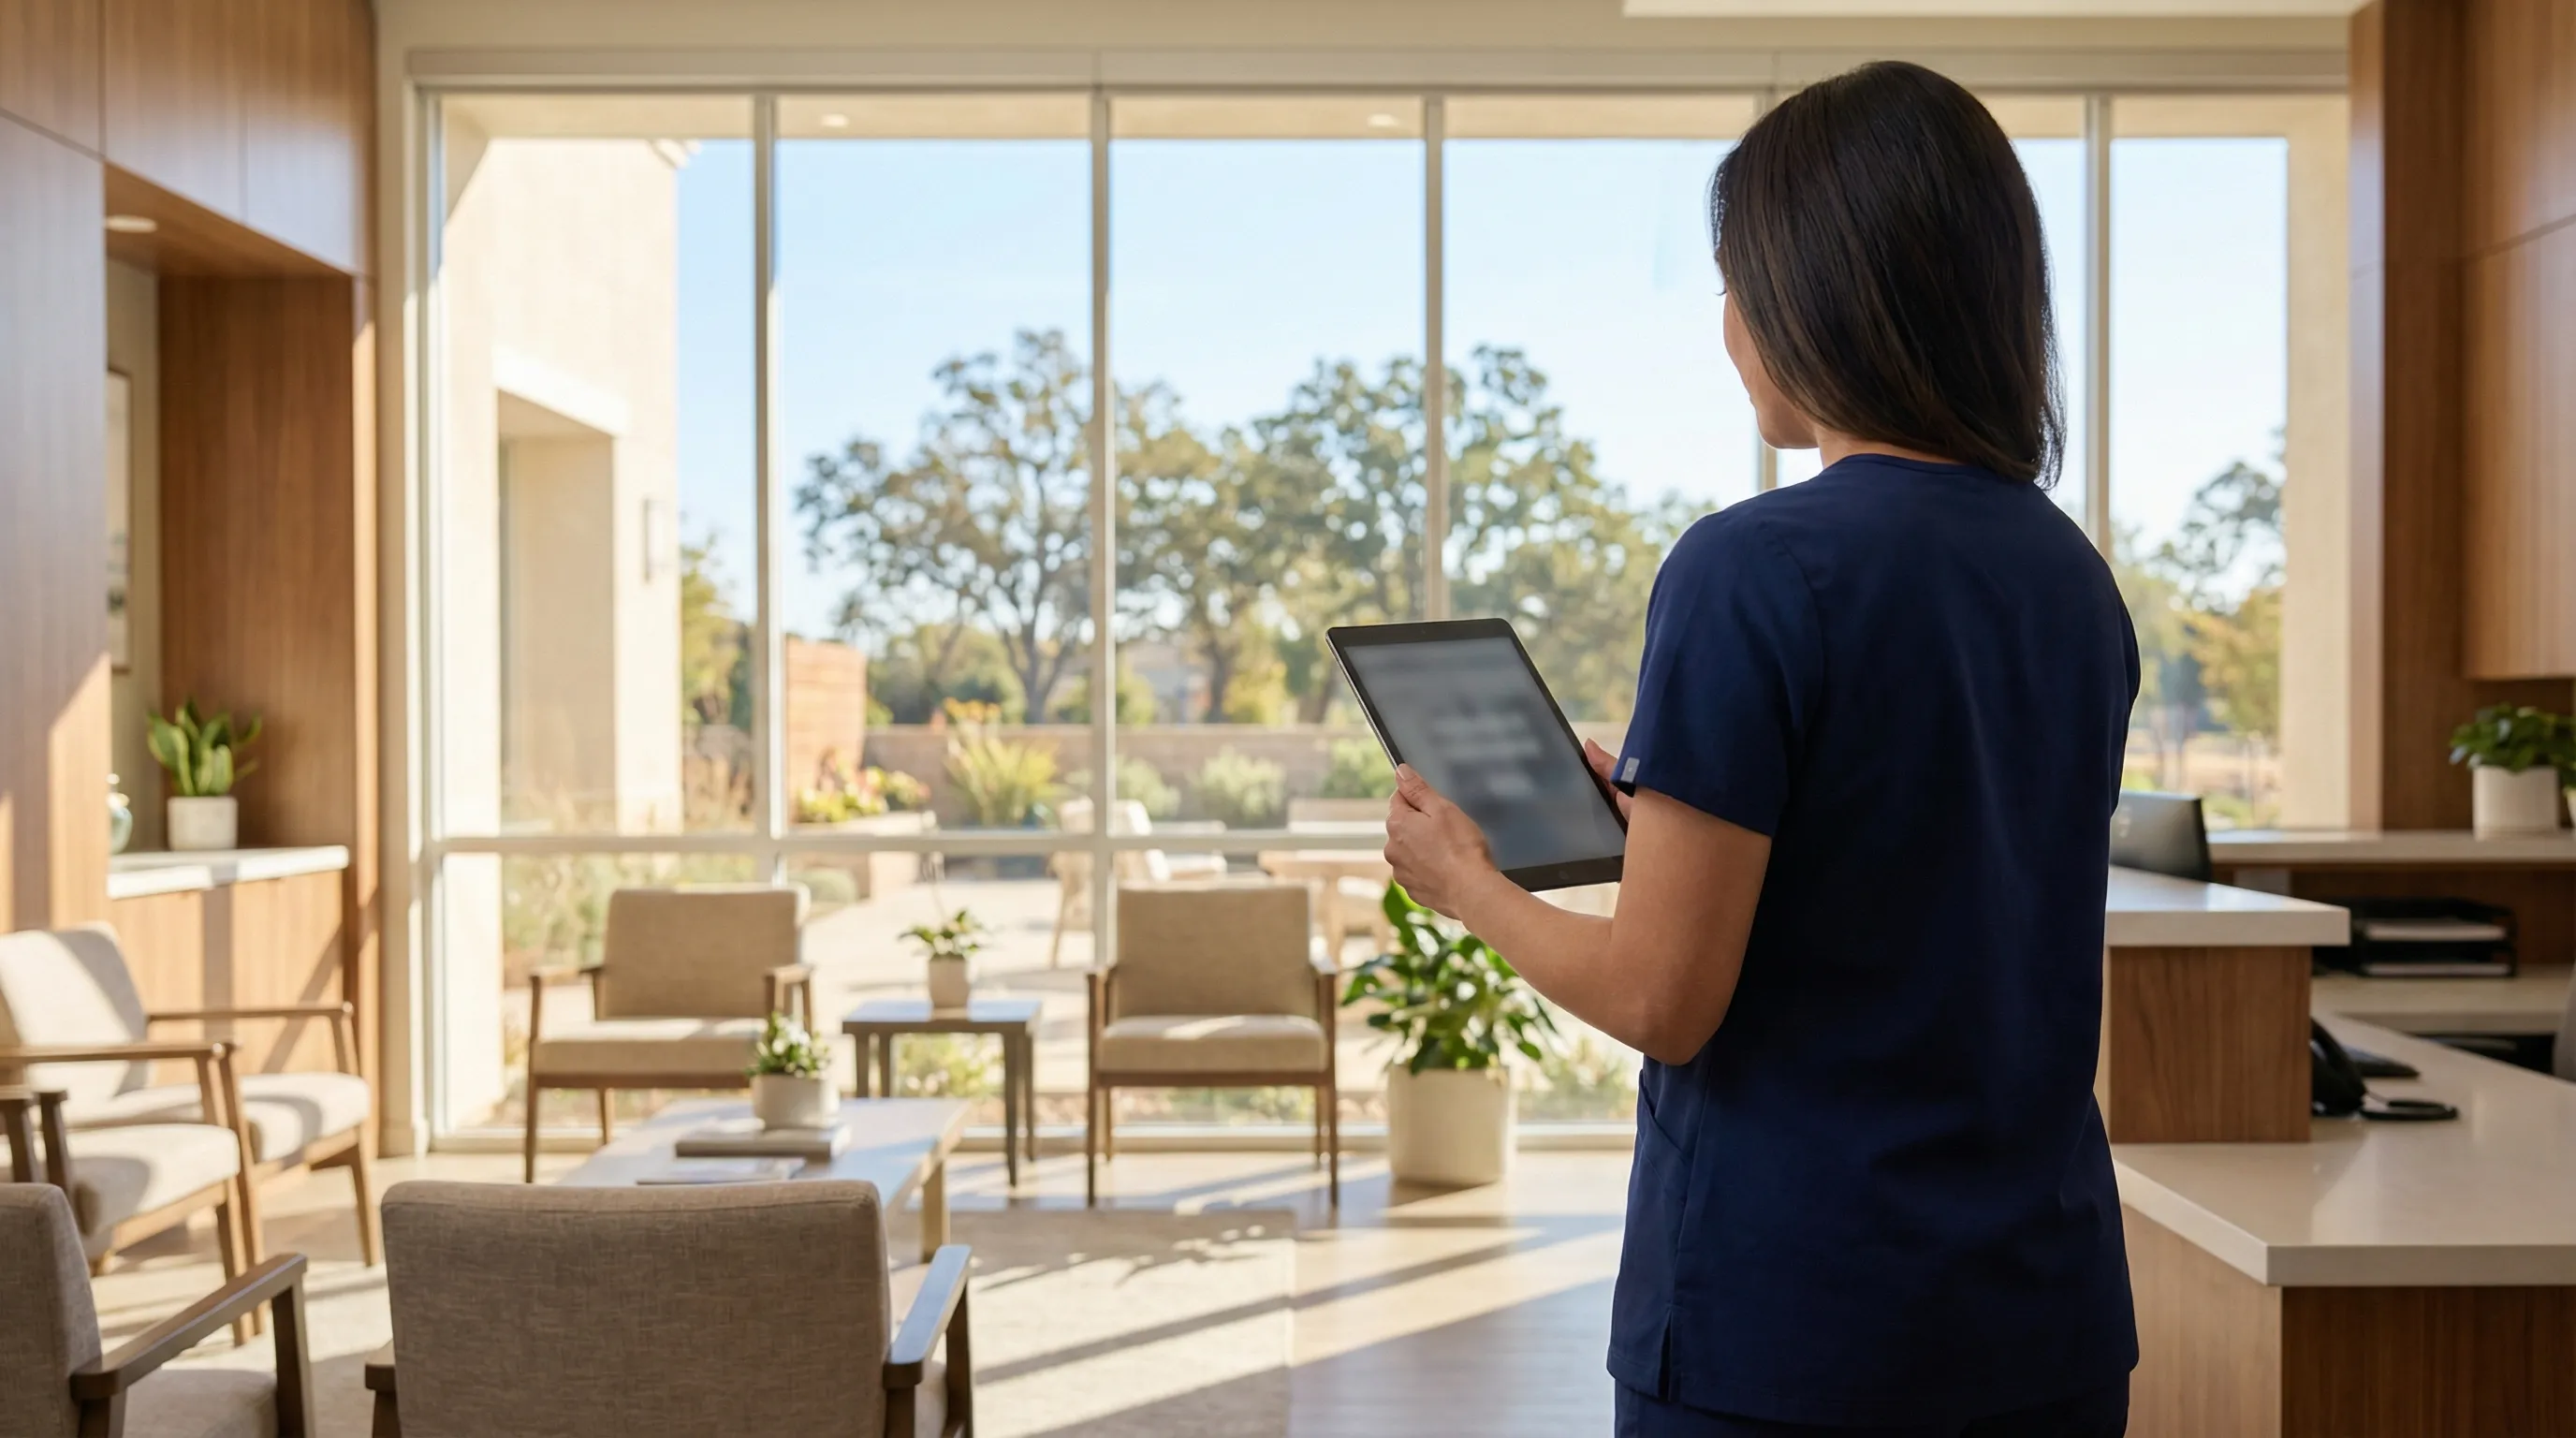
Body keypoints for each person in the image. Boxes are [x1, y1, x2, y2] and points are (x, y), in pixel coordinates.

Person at [1381, 61, 2140, 1438]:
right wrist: (1673, 823)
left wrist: (1468, 885)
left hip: (1794, 1332)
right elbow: (1916, 871)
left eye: (1737, 283)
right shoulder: (2071, 579)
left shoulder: (1751, 567)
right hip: (2042, 1324)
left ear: (1820, 293)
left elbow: (1662, 1000)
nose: (1727, 323)